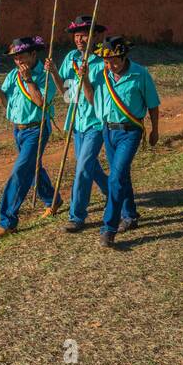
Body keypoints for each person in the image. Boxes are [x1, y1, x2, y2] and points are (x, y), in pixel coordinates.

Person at [80, 35, 160, 248]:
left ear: (124, 57)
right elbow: (90, 99)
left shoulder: (140, 74)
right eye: (107, 61)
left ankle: (109, 228)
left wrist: (155, 130)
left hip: (130, 132)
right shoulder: (100, 73)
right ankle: (131, 215)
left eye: (115, 60)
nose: (111, 65)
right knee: (121, 175)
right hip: (108, 130)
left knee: (115, 178)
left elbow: (153, 105)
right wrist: (85, 78)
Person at [57, 15, 124, 234]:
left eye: (84, 35)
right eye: (76, 35)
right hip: (77, 121)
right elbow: (66, 93)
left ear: (95, 35)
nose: (79, 39)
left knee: (83, 167)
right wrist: (53, 75)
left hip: (96, 121)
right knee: (90, 166)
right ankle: (113, 194)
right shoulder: (70, 58)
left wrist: (84, 78)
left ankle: (76, 216)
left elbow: (95, 100)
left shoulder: (102, 60)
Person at [0, 35, 59, 239]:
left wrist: (29, 80)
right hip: (18, 130)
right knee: (33, 167)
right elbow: (6, 104)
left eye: (22, 56)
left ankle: (7, 221)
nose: (19, 61)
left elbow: (42, 103)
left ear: (33, 54)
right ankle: (52, 200)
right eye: (15, 58)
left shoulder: (44, 76)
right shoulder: (12, 75)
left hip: (37, 129)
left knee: (20, 172)